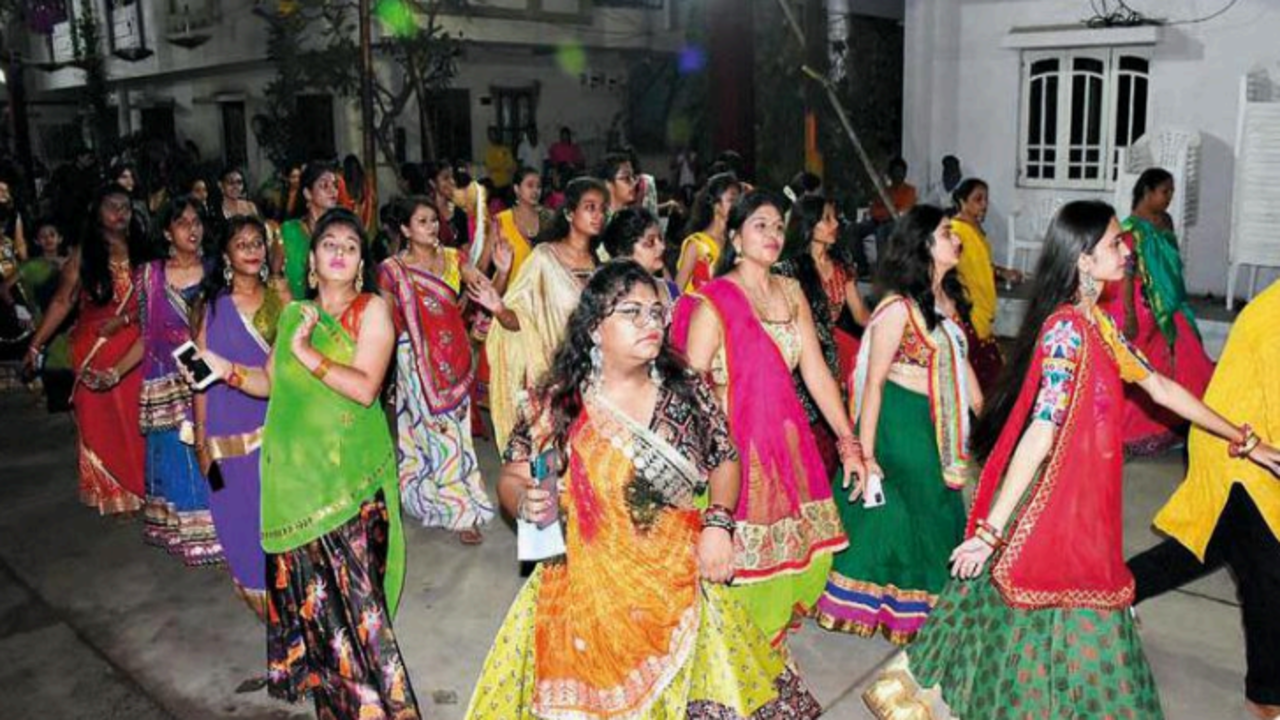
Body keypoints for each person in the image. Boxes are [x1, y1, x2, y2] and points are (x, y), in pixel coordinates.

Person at [862, 200, 1280, 720]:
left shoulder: (1096, 323)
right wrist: (991, 531)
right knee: (1040, 613)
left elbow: (1160, 386)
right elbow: (1043, 427)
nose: (1126, 252)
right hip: (1057, 506)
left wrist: (1244, 439)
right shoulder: (1066, 331)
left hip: (1089, 504)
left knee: (1052, 613)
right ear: (1083, 259)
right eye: (1114, 243)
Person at [466, 260, 823, 720]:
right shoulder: (559, 401)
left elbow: (724, 459)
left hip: (676, 579)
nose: (650, 322)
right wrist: (523, 500)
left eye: (656, 312)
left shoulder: (684, 390)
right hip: (585, 589)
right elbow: (514, 475)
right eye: (631, 312)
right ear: (594, 328)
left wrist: (718, 523)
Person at [195, 208, 421, 718]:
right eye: (329, 243)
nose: (339, 251)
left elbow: (365, 388)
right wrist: (226, 370)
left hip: (349, 492)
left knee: (359, 630)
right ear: (312, 261)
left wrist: (307, 352)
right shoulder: (295, 314)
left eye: (350, 245)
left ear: (360, 264)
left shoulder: (371, 311)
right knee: (323, 629)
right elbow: (269, 383)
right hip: (296, 488)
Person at [674, 190, 862, 646]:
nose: (773, 234)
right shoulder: (715, 299)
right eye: (760, 225)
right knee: (740, 568)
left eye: (779, 226)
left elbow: (815, 371)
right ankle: (740, 661)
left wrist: (849, 442)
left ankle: (766, 652)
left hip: (785, 444)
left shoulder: (791, 291)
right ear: (736, 238)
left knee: (796, 560)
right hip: (733, 453)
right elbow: (690, 387)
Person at [815, 205, 980, 644]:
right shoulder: (898, 308)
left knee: (933, 508)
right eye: (947, 232)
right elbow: (873, 382)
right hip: (899, 419)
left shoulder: (947, 301)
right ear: (923, 245)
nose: (956, 239)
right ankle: (912, 606)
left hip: (937, 420)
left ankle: (924, 606)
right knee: (922, 508)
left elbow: (961, 367)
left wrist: (989, 416)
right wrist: (866, 454)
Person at [1128, 279, 1280, 720]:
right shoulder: (1275, 316)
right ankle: (1266, 696)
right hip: (1238, 455)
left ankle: (1115, 591)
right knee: (1267, 574)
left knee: (1203, 549)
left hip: (1255, 453)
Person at [379, 196, 510, 543]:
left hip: (455, 358)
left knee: (458, 433)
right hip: (415, 363)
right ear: (406, 229)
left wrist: (502, 271)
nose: (432, 227)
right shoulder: (392, 270)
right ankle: (459, 512)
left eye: (434, 220)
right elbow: (384, 322)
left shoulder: (454, 259)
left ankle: (439, 496)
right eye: (422, 221)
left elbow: (486, 295)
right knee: (435, 434)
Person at [25, 184, 149, 514]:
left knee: (139, 418)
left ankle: (148, 484)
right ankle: (118, 494)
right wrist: (35, 344)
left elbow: (161, 301)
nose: (120, 213)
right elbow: (62, 301)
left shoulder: (146, 250)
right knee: (104, 422)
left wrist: (126, 320)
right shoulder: (85, 255)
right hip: (96, 347)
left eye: (125, 206)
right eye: (112, 206)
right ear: (97, 212)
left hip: (139, 347)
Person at [191, 215, 284, 616]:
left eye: (257, 242)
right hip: (223, 432)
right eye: (241, 244)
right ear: (226, 255)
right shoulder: (210, 307)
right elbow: (198, 377)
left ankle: (289, 601)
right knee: (234, 514)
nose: (251, 250)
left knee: (277, 513)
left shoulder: (281, 298)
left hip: (276, 427)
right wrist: (200, 439)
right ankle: (262, 601)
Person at [486, 177, 606, 450]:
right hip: (554, 378)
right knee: (554, 457)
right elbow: (520, 320)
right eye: (590, 207)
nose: (598, 215)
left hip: (598, 379)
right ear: (569, 213)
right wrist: (499, 307)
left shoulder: (603, 261)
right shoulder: (544, 258)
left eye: (602, 209)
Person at [1102, 167, 1216, 456]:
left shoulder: (1165, 221)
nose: (1169, 197)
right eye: (1165, 191)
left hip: (1173, 304)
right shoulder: (1129, 231)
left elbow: (1170, 264)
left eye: (1171, 192)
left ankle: (1189, 422)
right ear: (1147, 192)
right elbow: (1127, 276)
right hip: (1147, 307)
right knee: (1146, 371)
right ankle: (1133, 433)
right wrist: (1130, 314)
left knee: (1188, 364)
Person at [135, 196, 222, 566]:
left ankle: (225, 523)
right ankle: (192, 534)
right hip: (167, 380)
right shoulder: (149, 276)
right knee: (177, 455)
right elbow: (145, 335)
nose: (192, 228)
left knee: (215, 450)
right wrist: (116, 371)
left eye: (197, 221)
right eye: (183, 222)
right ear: (167, 232)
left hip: (211, 373)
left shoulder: (217, 270)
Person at [774, 195, 870, 475]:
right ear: (809, 224)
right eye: (827, 218)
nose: (835, 223)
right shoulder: (787, 269)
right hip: (798, 365)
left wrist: (894, 323)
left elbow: (860, 314)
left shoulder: (841, 263)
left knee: (833, 438)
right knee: (807, 444)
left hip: (831, 361)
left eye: (834, 217)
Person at [951, 178, 1020, 393]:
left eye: (986, 199)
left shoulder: (973, 228)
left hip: (982, 306)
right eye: (977, 199)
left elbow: (981, 264)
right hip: (968, 308)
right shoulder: (956, 231)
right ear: (962, 201)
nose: (984, 205)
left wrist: (1002, 272)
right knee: (984, 377)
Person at [11, 219, 74, 411]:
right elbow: (5, 288)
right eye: (43, 236)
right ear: (37, 241)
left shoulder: (71, 264)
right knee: (54, 366)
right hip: (46, 323)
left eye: (52, 235)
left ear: (60, 238)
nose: (48, 240)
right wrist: (19, 308)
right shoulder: (31, 266)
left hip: (72, 325)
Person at [277, 162, 340, 299]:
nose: (333, 191)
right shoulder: (289, 231)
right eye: (324, 185)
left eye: (335, 185)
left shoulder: (342, 232)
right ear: (307, 193)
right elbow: (275, 277)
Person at [674, 172, 740, 292]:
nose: (737, 205)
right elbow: (677, 292)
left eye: (739, 200)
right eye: (732, 200)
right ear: (716, 205)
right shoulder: (697, 244)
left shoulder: (737, 243)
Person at [599, 207, 676, 302]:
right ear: (624, 252)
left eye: (660, 239)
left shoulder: (670, 289)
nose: (662, 247)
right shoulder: (612, 296)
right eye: (650, 242)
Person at [491, 167, 546, 282]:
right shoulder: (501, 221)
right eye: (530, 185)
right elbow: (482, 264)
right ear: (516, 189)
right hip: (511, 291)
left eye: (539, 187)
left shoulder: (548, 219)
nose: (535, 191)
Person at [483, 128, 518, 195]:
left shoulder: (505, 149)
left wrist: (501, 166)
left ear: (498, 135)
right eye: (490, 135)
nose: (492, 137)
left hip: (507, 183)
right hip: (494, 184)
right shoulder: (489, 151)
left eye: (494, 134)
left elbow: (512, 165)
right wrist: (503, 165)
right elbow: (490, 166)